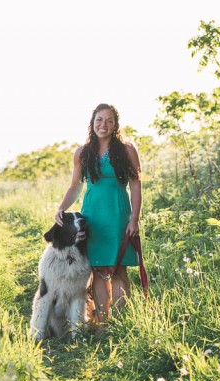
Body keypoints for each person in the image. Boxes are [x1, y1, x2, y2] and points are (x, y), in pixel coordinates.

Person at [54, 103, 142, 323]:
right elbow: (75, 185)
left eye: (109, 120)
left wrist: (134, 219)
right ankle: (102, 323)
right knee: (99, 270)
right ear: (92, 123)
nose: (104, 125)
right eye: (99, 120)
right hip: (92, 217)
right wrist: (61, 208)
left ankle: (122, 322)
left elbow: (136, 184)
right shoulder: (82, 153)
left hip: (119, 215)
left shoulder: (127, 150)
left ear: (115, 125)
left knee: (120, 268)